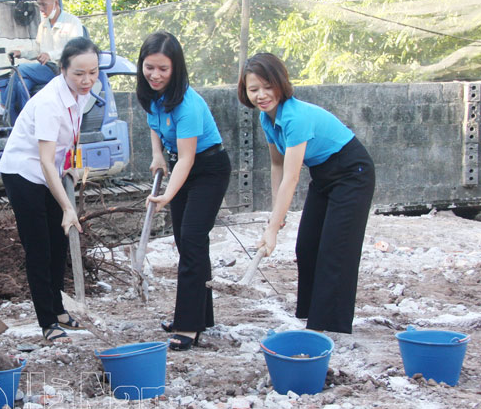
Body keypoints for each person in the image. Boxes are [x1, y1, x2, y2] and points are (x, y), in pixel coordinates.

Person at [238, 52, 375, 334]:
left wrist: (274, 228)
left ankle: (331, 328)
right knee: (307, 246)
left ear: (281, 84)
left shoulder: (295, 118)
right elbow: (277, 164)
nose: (261, 95)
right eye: (254, 89)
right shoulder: (267, 119)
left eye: (268, 87)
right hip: (324, 175)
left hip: (352, 173)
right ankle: (315, 317)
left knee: (335, 250)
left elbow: (292, 176)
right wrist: (276, 214)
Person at [0, 36, 99, 342]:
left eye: (93, 72)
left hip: (49, 173)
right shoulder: (49, 103)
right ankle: (46, 320)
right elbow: (42, 160)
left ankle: (58, 309)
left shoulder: (80, 96)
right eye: (79, 73)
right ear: (62, 70)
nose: (87, 80)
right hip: (23, 172)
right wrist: (68, 207)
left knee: (58, 242)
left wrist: (71, 164)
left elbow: (62, 146)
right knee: (39, 247)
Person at [137, 31, 231, 351]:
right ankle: (201, 315)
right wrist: (157, 154)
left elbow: (189, 158)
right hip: (181, 166)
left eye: (163, 68)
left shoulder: (187, 104)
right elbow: (154, 124)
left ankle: (188, 325)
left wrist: (166, 195)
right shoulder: (152, 94)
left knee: (191, 239)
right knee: (186, 241)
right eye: (150, 67)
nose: (156, 74)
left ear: (176, 68)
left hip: (208, 168)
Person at [10, 0, 84, 95]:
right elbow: (38, 51)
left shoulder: (72, 22)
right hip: (45, 68)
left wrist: (50, 55)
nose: (40, 9)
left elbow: (75, 50)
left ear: (56, 3)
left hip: (62, 70)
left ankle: (2, 108)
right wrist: (21, 53)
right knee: (22, 85)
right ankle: (25, 112)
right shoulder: (43, 25)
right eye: (39, 5)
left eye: (44, 5)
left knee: (19, 69)